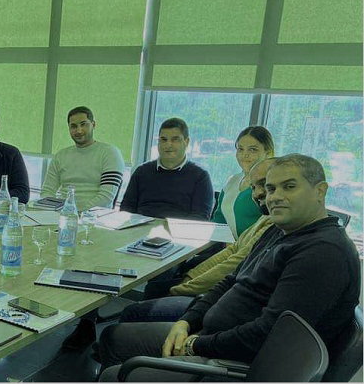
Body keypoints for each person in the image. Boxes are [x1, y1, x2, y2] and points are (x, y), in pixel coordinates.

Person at [97, 154, 361, 381]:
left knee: (114, 375)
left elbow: (267, 335)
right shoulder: (281, 229)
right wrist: (186, 321)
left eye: (289, 187)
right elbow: (231, 280)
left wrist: (195, 345)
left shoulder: (323, 253)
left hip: (234, 363)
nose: (275, 197)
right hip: (211, 337)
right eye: (270, 189)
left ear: (320, 191)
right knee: (112, 337)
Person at [117, 158, 275, 324]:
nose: (257, 193)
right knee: (159, 286)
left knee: (135, 310)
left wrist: (182, 288)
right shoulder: (264, 218)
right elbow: (231, 251)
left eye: (265, 185)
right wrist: (189, 278)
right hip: (221, 289)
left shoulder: (272, 227)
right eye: (253, 187)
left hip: (227, 300)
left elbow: (234, 264)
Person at [120, 118, 214, 220]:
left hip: (178, 229)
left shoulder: (200, 176)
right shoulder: (142, 172)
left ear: (186, 142)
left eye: (175, 139)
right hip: (140, 226)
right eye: (163, 140)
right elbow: (126, 208)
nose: (168, 145)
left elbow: (200, 217)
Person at [40, 106, 124, 210]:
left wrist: (74, 212)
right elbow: (47, 191)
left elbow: (105, 198)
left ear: (93, 125)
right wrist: (52, 210)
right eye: (73, 126)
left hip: (95, 215)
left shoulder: (110, 153)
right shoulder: (61, 155)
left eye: (83, 124)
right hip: (61, 213)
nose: (79, 131)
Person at [212, 126, 274, 238]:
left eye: (252, 149)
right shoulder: (232, 181)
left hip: (256, 246)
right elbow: (219, 220)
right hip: (227, 245)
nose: (245, 155)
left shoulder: (272, 185)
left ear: (268, 153)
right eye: (240, 149)